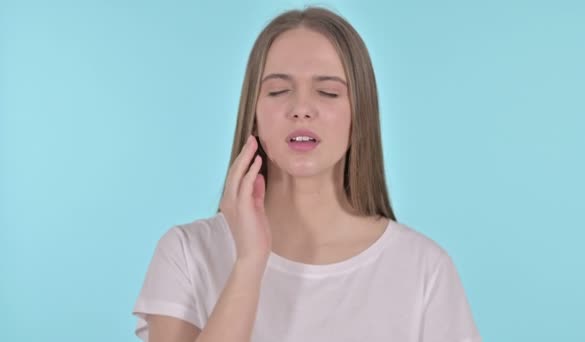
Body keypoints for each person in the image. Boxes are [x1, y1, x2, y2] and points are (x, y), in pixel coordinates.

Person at [132, 6, 481, 342]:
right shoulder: (187, 253)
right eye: (278, 91)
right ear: (253, 113)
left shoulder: (424, 268)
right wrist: (250, 263)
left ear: (360, 113)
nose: (301, 109)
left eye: (328, 92)